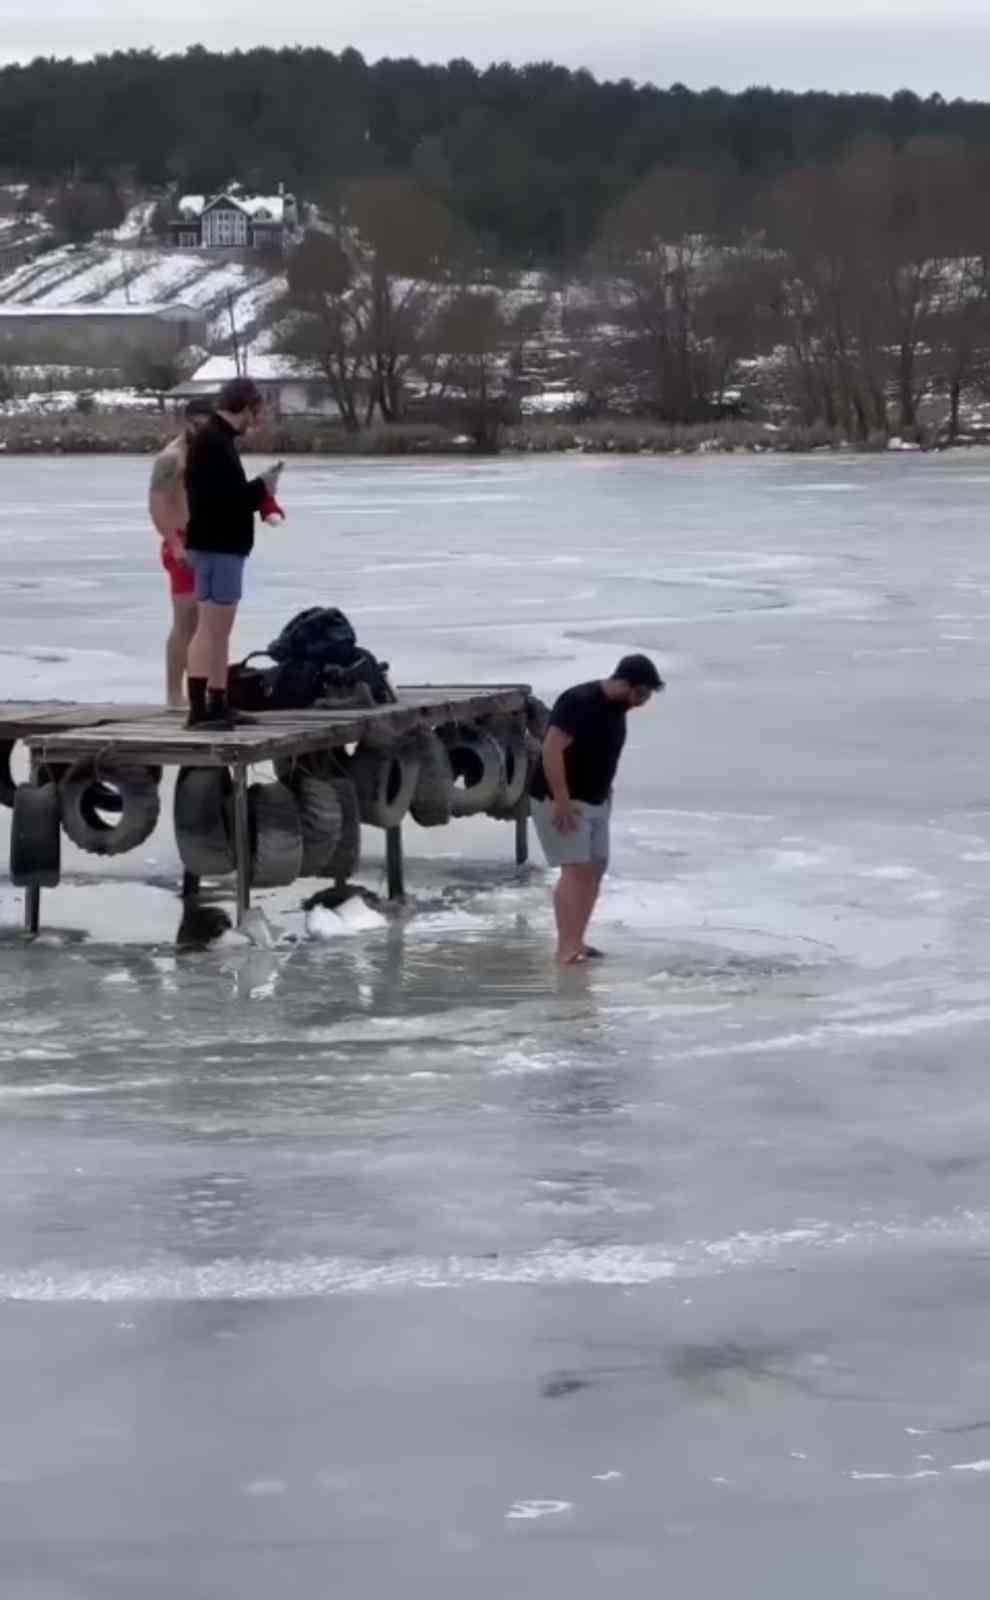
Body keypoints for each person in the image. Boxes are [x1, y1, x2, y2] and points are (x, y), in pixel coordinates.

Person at [529, 654, 664, 964]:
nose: (643, 702)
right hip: (562, 801)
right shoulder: (579, 701)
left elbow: (602, 752)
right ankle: (566, 948)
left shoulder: (619, 707)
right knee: (575, 870)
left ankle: (577, 940)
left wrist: (606, 794)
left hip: (596, 800)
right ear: (625, 683)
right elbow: (551, 749)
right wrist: (561, 800)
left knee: (595, 868)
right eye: (642, 694)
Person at [182, 377, 283, 730]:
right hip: (220, 546)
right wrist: (263, 488)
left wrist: (255, 490)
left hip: (209, 544)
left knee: (214, 630)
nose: (257, 419)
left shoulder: (212, 438)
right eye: (257, 411)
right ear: (246, 408)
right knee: (212, 629)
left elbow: (219, 495)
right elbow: (226, 500)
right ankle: (200, 711)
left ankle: (217, 701)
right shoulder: (215, 443)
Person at [147, 396, 213, 708]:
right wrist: (174, 544)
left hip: (208, 542)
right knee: (185, 621)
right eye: (199, 424)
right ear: (188, 422)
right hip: (182, 544)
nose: (204, 430)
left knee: (206, 623)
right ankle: (174, 694)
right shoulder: (171, 458)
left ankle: (205, 692)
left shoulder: (209, 450)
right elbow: (157, 504)